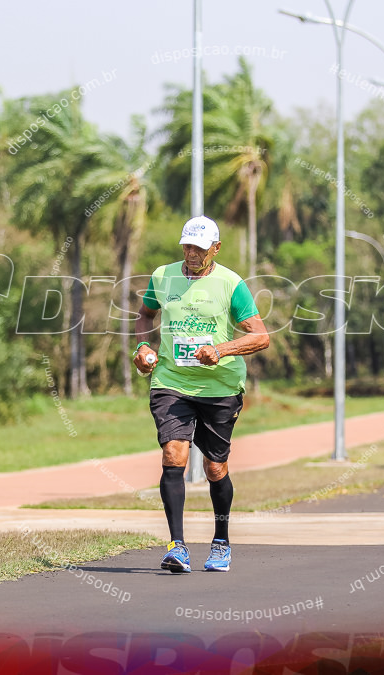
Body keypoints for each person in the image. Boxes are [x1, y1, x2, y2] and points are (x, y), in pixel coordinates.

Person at [134, 216, 270, 573]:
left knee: (214, 467)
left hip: (220, 388)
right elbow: (144, 315)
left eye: (199, 247)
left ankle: (221, 540)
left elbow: (261, 336)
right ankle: (177, 546)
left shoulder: (231, 284)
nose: (191, 253)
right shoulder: (163, 276)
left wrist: (221, 351)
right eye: (187, 246)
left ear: (216, 248)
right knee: (173, 455)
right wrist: (144, 347)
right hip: (171, 381)